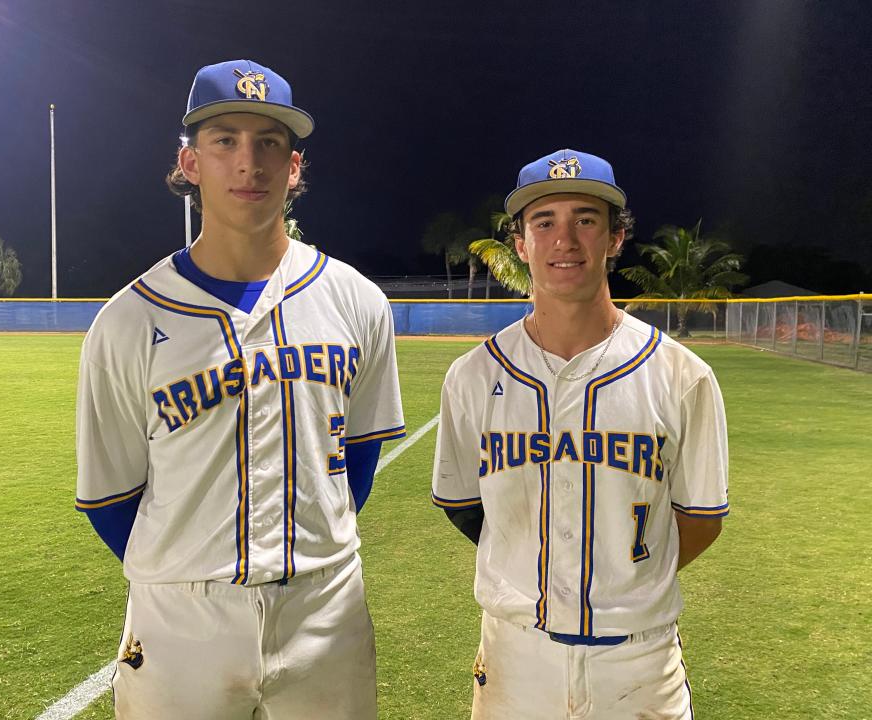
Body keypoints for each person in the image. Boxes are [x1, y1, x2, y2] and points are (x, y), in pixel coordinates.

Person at [75, 59, 405, 719]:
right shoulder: (128, 320)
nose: (248, 163)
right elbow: (111, 498)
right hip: (179, 620)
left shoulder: (355, 300)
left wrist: (306, 550)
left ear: (294, 167)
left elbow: (357, 462)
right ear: (190, 162)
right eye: (224, 140)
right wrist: (188, 566)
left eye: (269, 143)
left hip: (325, 607)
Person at [431, 149, 728, 719]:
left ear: (615, 238)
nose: (564, 240)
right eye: (544, 223)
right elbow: (465, 506)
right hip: (515, 654)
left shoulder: (681, 374)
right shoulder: (473, 375)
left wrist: (621, 574)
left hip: (639, 660)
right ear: (521, 243)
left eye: (585, 221)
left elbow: (700, 520)